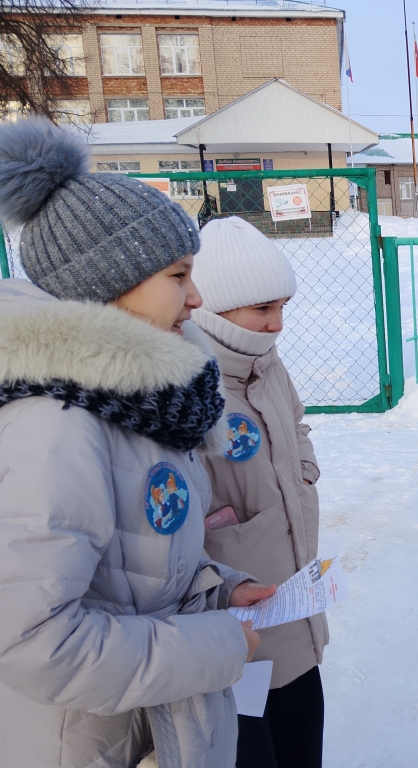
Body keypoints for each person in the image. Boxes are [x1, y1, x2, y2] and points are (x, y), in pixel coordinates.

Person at [0, 118, 276, 768]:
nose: (197, 297)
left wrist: (218, 590)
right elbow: (32, 641)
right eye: (179, 275)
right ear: (107, 281)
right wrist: (216, 644)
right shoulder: (56, 426)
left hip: (160, 731)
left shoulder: (142, 402)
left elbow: (134, 568)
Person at [190, 217, 327, 768]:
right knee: (250, 745)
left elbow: (295, 422)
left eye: (282, 307)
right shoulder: (188, 382)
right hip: (233, 612)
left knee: (301, 736)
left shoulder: (266, 364)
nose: (277, 324)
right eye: (262, 309)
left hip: (292, 595)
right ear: (215, 308)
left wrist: (303, 472)